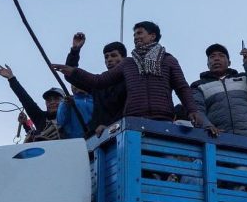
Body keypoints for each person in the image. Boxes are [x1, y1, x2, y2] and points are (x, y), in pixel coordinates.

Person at [53, 21, 203, 127]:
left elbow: (182, 87)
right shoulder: (129, 63)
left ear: (152, 36)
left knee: (163, 157)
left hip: (163, 117)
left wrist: (192, 110)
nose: (136, 37)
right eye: (134, 34)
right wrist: (73, 70)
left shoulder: (168, 60)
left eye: (140, 33)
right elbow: (98, 81)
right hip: (133, 121)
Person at [191, 43, 247, 138]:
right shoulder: (199, 86)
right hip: (218, 140)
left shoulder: (244, 78)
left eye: (221, 56)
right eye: (212, 57)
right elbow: (196, 110)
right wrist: (207, 126)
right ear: (207, 64)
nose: (216, 59)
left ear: (229, 62)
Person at [65, 32, 127, 136]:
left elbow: (129, 109)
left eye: (113, 55)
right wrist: (75, 50)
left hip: (122, 134)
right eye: (106, 57)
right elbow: (70, 75)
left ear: (124, 59)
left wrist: (108, 125)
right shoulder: (98, 83)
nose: (109, 59)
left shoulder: (131, 81)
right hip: (97, 138)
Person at [0, 64, 64, 141]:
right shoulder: (40, 117)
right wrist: (11, 78)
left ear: (65, 100)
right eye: (49, 100)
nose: (52, 102)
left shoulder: (73, 114)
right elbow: (25, 99)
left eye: (56, 99)